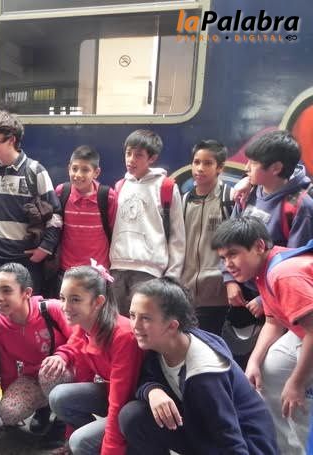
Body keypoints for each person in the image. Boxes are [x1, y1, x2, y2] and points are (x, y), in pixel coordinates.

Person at [119, 277, 278, 454]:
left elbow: (229, 438)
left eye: (146, 318)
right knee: (133, 416)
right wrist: (153, 391)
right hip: (203, 431)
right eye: (132, 315)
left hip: (247, 445)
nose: (135, 325)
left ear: (172, 325)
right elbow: (147, 376)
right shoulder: (166, 341)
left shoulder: (204, 375)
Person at [212, 216, 313, 454]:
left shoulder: (282, 274)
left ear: (259, 246)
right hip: (304, 332)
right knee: (266, 373)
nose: (228, 264)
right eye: (223, 258)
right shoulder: (263, 269)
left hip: (309, 333)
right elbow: (273, 321)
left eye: (233, 254)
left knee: (298, 399)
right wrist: (254, 362)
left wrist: (297, 383)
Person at [41, 264, 144, 455]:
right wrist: (70, 438)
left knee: (81, 442)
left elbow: (119, 401)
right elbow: (82, 374)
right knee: (58, 397)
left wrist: (110, 450)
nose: (65, 307)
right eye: (62, 298)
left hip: (135, 407)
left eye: (75, 299)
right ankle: (91, 444)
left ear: (98, 302)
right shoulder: (83, 326)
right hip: (114, 395)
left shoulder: (123, 336)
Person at [224, 130, 313, 323]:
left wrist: (264, 299)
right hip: (242, 292)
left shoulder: (300, 206)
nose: (246, 167)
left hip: (277, 299)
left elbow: (294, 263)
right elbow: (228, 240)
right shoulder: (248, 193)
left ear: (276, 168)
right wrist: (229, 280)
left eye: (253, 163)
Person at [0, 111, 62, 295]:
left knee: (27, 305)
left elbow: (55, 213)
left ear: (11, 140)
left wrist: (46, 247)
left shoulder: (34, 170)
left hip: (26, 256)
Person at [109, 129, 185, 315]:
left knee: (143, 322)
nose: (131, 160)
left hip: (149, 270)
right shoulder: (120, 186)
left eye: (138, 155)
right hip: (118, 268)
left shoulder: (166, 187)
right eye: (128, 153)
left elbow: (177, 235)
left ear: (152, 158)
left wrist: (172, 275)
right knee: (116, 323)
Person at [0, 262, 72, 435]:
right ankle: (44, 407)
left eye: (6, 291)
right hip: (33, 376)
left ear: (27, 293)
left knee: (49, 373)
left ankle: (64, 422)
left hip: (66, 371)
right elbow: (7, 364)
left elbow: (79, 340)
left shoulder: (52, 308)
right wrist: (8, 394)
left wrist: (62, 356)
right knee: (8, 413)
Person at [180, 140, 233, 335]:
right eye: (196, 162)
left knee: (213, 345)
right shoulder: (184, 200)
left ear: (220, 167)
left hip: (217, 293)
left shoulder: (230, 199)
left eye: (208, 163)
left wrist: (230, 281)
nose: (200, 168)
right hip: (186, 293)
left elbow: (236, 246)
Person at [54, 144, 117, 274]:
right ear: (68, 168)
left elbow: (114, 230)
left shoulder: (108, 196)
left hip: (98, 272)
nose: (78, 175)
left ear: (96, 173)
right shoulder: (61, 192)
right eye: (74, 169)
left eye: (85, 170)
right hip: (67, 270)